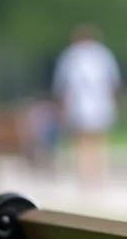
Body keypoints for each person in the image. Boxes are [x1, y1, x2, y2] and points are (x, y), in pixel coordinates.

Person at [52, 24, 122, 183]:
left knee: (90, 139)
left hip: (92, 102)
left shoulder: (74, 56)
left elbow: (61, 84)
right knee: (88, 139)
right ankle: (91, 173)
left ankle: (93, 172)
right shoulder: (96, 55)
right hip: (85, 103)